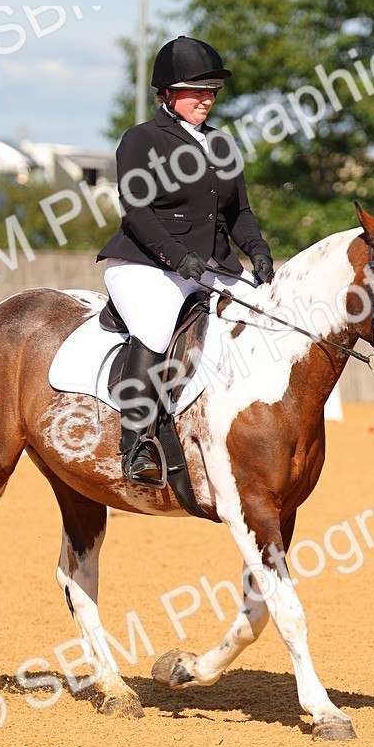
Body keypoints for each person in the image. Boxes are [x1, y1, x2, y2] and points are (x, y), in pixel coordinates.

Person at [97, 35, 274, 485]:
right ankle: (136, 444)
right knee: (156, 326)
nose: (208, 100)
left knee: (266, 320)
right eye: (198, 91)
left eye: (212, 91)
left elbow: (239, 214)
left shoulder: (221, 145)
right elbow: (136, 211)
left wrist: (256, 250)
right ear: (168, 94)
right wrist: (178, 257)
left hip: (209, 269)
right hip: (145, 264)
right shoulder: (142, 139)